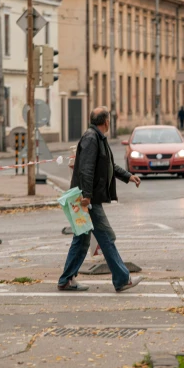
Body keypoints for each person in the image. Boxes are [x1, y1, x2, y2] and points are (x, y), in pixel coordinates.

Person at [58, 106, 142, 293]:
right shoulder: (91, 139)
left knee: (82, 239)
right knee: (106, 237)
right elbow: (86, 169)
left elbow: (108, 166)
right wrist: (87, 196)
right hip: (88, 200)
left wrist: (128, 176)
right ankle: (122, 279)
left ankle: (65, 280)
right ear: (106, 121)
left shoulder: (97, 138)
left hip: (88, 198)